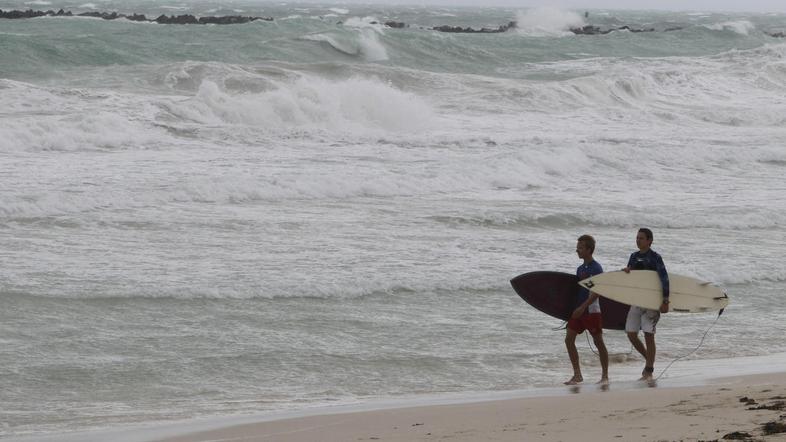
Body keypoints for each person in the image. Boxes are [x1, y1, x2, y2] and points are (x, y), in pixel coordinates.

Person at [623, 228, 669, 382]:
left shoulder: (655, 257)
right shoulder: (633, 257)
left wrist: (665, 300)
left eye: (641, 238)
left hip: (652, 302)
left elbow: (664, 278)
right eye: (637, 238)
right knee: (631, 333)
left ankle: (649, 370)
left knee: (649, 336)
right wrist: (626, 272)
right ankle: (649, 359)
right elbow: (631, 280)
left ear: (650, 241)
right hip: (637, 300)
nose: (638, 240)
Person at [564, 234, 609, 385]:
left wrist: (583, 307)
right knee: (569, 339)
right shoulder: (580, 269)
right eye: (578, 247)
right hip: (579, 310)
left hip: (591, 310)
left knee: (598, 342)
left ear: (589, 250)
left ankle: (605, 376)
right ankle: (577, 375)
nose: (577, 250)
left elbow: (597, 291)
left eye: (581, 247)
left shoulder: (597, 268)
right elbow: (579, 291)